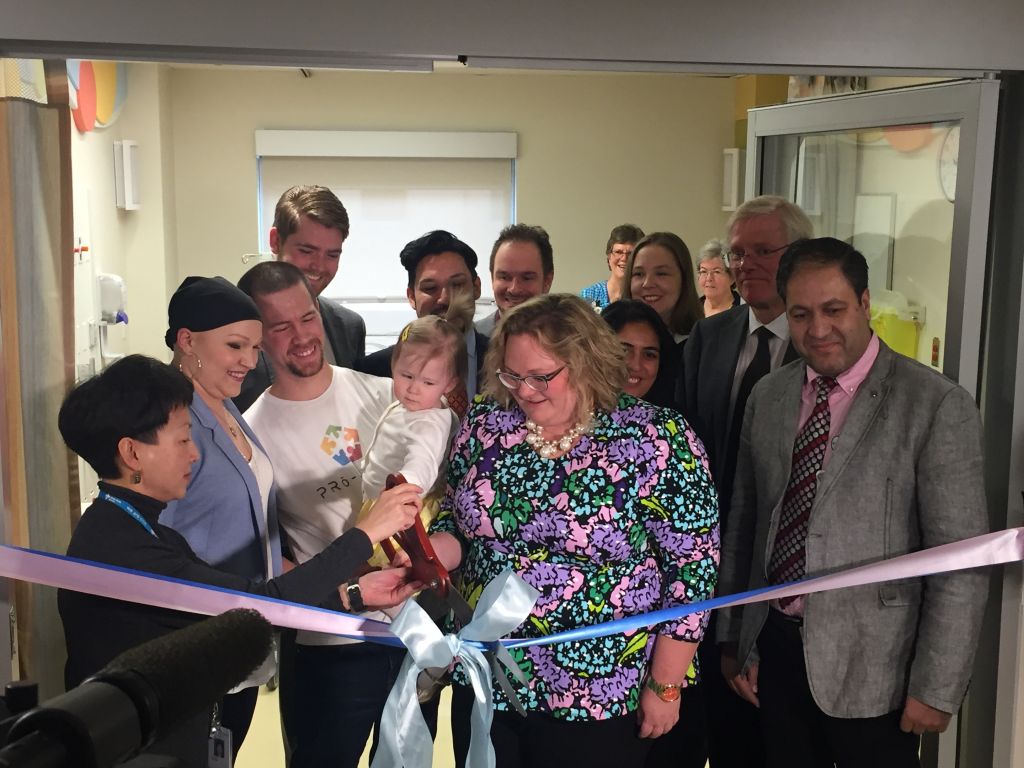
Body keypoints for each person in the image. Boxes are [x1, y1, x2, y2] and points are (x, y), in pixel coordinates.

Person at [56, 354, 422, 768]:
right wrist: (367, 532)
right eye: (181, 439)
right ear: (133, 453)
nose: (193, 455)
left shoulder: (140, 527)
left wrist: (355, 595)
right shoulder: (123, 548)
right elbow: (258, 608)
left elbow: (238, 610)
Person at [717, 238, 989, 767]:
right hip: (775, 655)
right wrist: (736, 638)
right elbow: (746, 524)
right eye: (801, 314)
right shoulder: (769, 397)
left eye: (834, 309)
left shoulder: (934, 405)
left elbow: (961, 563)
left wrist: (937, 686)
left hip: (879, 672)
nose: (817, 330)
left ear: (865, 303)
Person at [428, 293, 720, 768]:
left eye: (541, 376)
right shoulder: (486, 422)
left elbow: (693, 570)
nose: (524, 391)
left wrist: (666, 685)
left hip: (597, 689)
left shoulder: (656, 438)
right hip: (488, 675)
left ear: (586, 362)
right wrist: (429, 551)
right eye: (512, 375)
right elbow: (456, 523)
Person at [239, 261, 460, 768]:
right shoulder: (253, 435)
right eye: (280, 326)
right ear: (257, 338)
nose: (301, 337)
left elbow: (442, 488)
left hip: (410, 634)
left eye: (307, 317)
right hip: (329, 643)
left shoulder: (387, 392)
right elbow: (268, 562)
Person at [677, 195, 813, 768]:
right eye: (737, 253)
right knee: (721, 717)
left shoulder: (819, 342)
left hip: (786, 563)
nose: (745, 264)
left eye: (763, 251)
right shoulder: (710, 337)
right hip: (708, 557)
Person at [157, 275, 278, 750]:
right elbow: (157, 534)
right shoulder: (170, 420)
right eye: (235, 345)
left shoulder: (228, 407)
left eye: (255, 347)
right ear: (188, 341)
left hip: (242, 635)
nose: (251, 360)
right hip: (197, 639)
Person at [234, 184, 366, 412]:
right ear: (275, 240)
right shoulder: (229, 326)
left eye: (332, 255)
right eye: (306, 251)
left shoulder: (349, 326)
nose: (319, 266)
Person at [358, 230, 489, 415]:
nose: (444, 299)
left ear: (476, 288)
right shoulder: (372, 371)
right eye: (430, 288)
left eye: (457, 285)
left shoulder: (505, 362)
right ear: (411, 296)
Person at [476, 223, 555, 336]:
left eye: (526, 278)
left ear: (547, 281)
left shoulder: (572, 342)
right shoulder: (470, 341)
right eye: (504, 277)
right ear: (492, 278)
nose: (514, 289)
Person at [623, 231, 702, 344]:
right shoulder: (609, 342)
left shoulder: (703, 345)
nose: (647, 284)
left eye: (661, 274)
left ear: (684, 280)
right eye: (639, 274)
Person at [600, 299, 677, 408]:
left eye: (649, 355)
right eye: (624, 350)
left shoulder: (676, 422)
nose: (636, 366)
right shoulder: (572, 416)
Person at [580, 223, 645, 309]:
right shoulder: (591, 296)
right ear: (609, 256)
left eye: (631, 253)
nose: (624, 258)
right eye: (618, 252)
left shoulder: (644, 296)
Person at [696, 238, 739, 317]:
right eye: (704, 271)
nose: (709, 278)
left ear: (732, 277)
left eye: (716, 272)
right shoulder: (691, 310)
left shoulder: (744, 311)